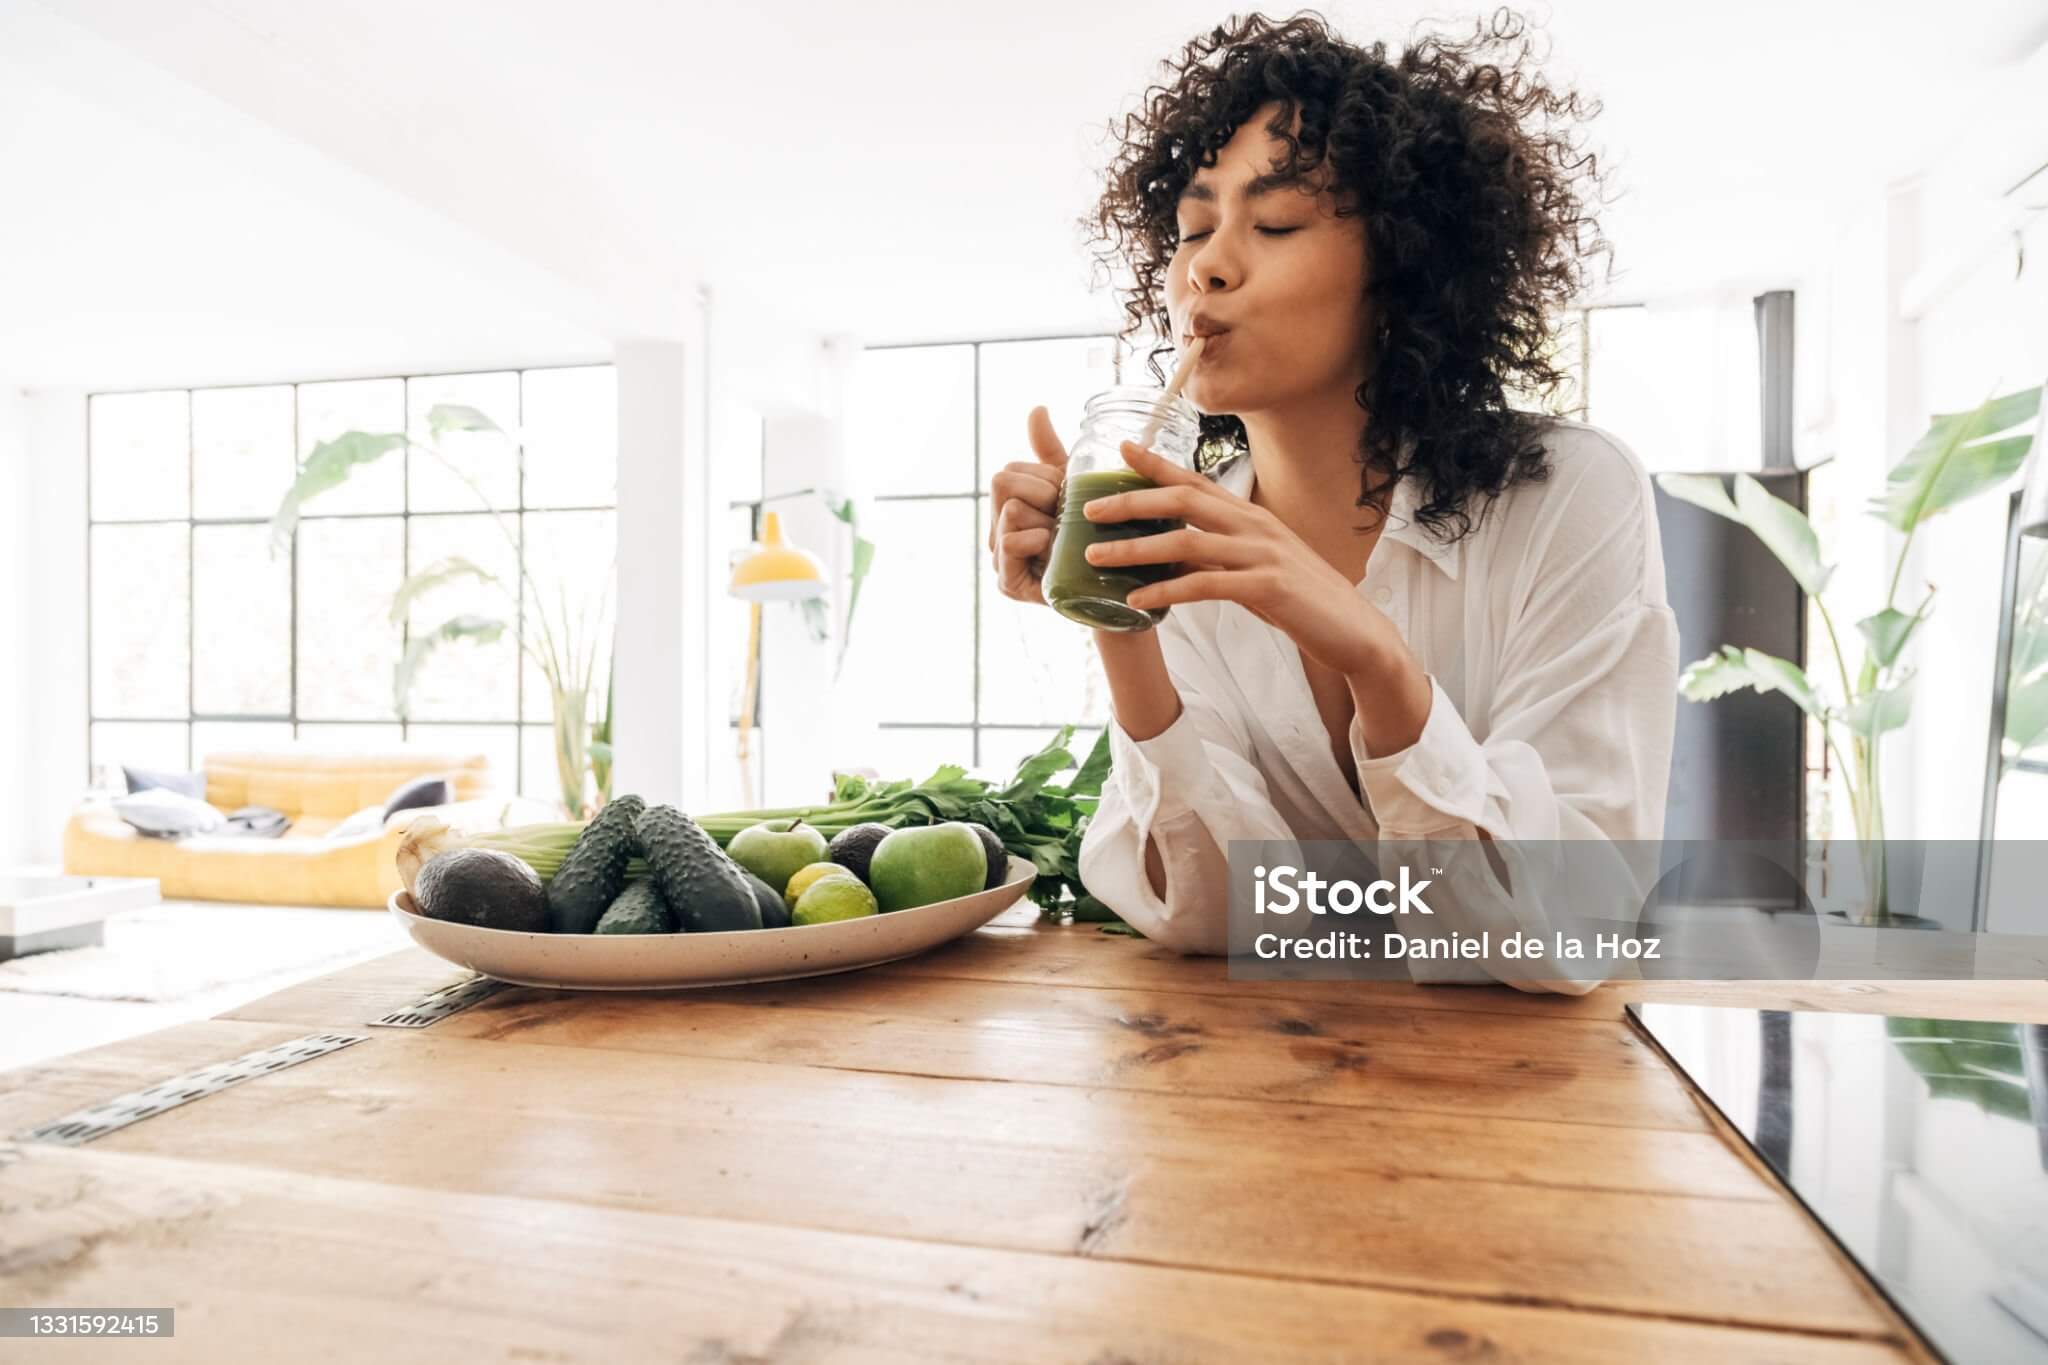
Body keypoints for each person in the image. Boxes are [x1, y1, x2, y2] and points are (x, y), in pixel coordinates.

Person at [985, 12, 1679, 992]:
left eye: (1272, 224)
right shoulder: (1179, 530)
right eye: (1191, 228)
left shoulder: (1566, 496)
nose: (1205, 266)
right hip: (1274, 1105)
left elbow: (1572, 929)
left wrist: (1373, 659)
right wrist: (1118, 616)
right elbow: (1217, 920)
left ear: (1398, 268)